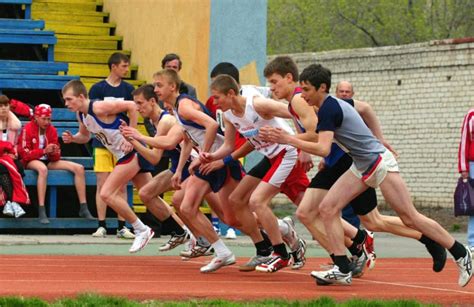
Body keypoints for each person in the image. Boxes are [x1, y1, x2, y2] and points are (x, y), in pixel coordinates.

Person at [260, 63, 472, 287]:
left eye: (307, 90)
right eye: (301, 90)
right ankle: (342, 267)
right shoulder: (329, 106)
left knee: (410, 216)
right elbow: (341, 133)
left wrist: (288, 139)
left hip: (379, 163)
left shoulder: (329, 109)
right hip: (361, 166)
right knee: (327, 208)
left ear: (322, 88)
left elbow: (323, 148)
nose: (303, 95)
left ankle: (461, 252)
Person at [206, 74, 309, 273]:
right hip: (269, 156)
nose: (214, 102)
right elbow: (233, 145)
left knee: (260, 202)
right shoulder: (229, 115)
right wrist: (213, 158)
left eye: (217, 97)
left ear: (231, 93)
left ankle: (281, 253)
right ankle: (270, 247)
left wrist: (303, 145)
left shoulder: (258, 105)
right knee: (237, 199)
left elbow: (297, 111)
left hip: (285, 153)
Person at [153, 69, 239, 273]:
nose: (155, 89)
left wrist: (203, 155)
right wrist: (179, 169)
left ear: (172, 87)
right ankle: (223, 251)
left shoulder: (183, 106)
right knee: (195, 208)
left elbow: (210, 125)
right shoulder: (177, 108)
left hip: (218, 159)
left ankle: (277, 230)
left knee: (231, 216)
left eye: (159, 85)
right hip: (211, 160)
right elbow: (187, 139)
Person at [61, 80, 154, 253]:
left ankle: (141, 229)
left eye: (69, 99)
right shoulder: (81, 115)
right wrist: (74, 138)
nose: (66, 104)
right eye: (65, 100)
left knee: (106, 192)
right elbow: (85, 136)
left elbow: (132, 106)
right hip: (127, 154)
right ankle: (187, 231)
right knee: (150, 197)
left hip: (131, 152)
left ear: (81, 97)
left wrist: (130, 137)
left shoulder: (99, 107)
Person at [118, 84, 192, 252]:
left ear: (152, 101)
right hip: (178, 164)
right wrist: (133, 139)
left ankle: (200, 239)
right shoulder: (150, 120)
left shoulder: (165, 121)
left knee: (226, 213)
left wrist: (134, 139)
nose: (137, 108)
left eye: (140, 103)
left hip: (191, 164)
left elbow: (154, 157)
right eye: (134, 104)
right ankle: (181, 233)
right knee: (146, 193)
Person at [17, 104, 94, 224]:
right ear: (36, 117)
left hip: (48, 160)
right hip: (31, 161)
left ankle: (83, 207)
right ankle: (42, 210)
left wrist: (55, 151)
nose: (47, 122)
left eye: (49, 119)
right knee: (42, 169)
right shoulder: (27, 129)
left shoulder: (51, 129)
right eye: (44, 119)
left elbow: (55, 157)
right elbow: (24, 155)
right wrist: (43, 151)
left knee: (79, 168)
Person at [88, 52, 135, 239]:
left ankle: (122, 226)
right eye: (124, 66)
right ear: (114, 66)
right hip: (100, 143)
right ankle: (101, 225)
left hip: (121, 144)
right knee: (102, 184)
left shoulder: (129, 89)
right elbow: (92, 114)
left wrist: (129, 139)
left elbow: (132, 115)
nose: (127, 69)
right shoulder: (98, 89)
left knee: (122, 185)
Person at [0, 95, 29, 218]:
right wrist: (6, 148)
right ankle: (13, 201)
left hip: (10, 157)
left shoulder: (15, 125)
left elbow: (17, 144)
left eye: (6, 105)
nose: (3, 108)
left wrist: (14, 152)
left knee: (18, 168)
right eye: (0, 106)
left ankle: (10, 204)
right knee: (3, 169)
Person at [458, 108, 474, 253]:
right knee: (473, 206)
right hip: (473, 165)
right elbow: (464, 141)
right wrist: (464, 168)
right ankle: (472, 244)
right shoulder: (471, 115)